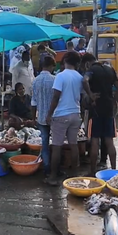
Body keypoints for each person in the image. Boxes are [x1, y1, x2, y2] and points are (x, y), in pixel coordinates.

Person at [46, 52, 93, 184]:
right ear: (77, 63)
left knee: (57, 146)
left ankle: (53, 177)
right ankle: (74, 176)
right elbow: (84, 98)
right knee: (74, 145)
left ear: (65, 61)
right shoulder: (79, 77)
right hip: (75, 114)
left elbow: (56, 97)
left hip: (61, 115)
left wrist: (49, 114)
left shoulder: (60, 76)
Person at [82, 53, 118, 176]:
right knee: (109, 141)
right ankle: (114, 170)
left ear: (87, 63)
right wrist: (115, 100)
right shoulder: (110, 70)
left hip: (96, 109)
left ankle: (92, 171)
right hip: (109, 109)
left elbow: (84, 80)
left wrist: (91, 95)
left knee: (94, 140)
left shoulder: (91, 70)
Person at [31, 56, 56, 175]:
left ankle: (46, 168)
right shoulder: (55, 79)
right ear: (51, 66)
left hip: (41, 118)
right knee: (56, 143)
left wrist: (32, 118)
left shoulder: (35, 81)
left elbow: (33, 102)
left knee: (45, 143)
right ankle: (55, 168)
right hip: (54, 117)